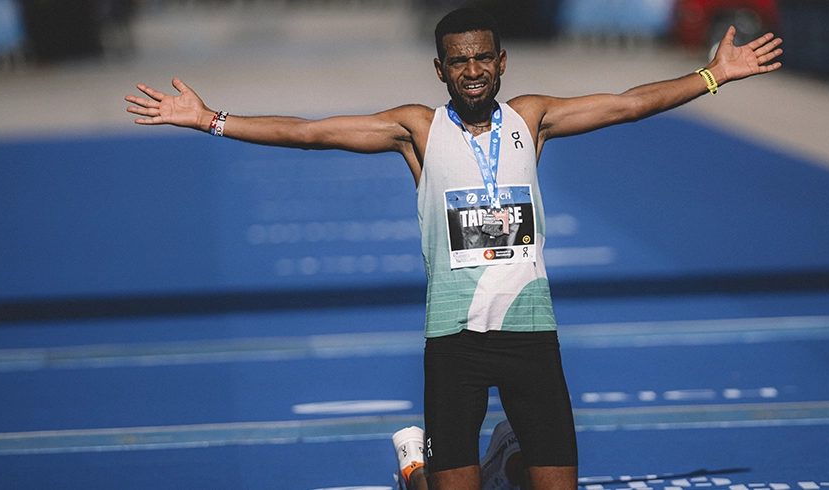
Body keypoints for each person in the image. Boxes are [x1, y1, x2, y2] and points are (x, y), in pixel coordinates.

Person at [125, 8, 782, 490]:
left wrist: (714, 74)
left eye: (482, 58)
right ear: (440, 69)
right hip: (454, 341)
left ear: (502, 62)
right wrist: (210, 119)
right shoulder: (417, 129)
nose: (472, 71)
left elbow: (629, 104)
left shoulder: (531, 117)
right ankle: (416, 465)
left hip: (530, 333)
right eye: (458, 61)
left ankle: (506, 462)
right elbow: (311, 133)